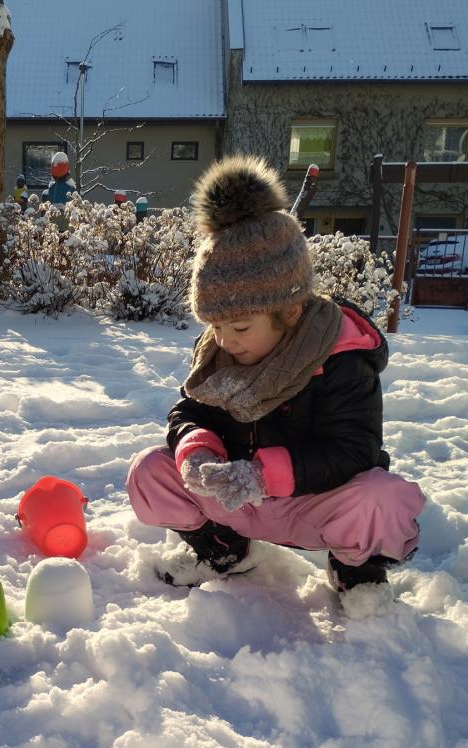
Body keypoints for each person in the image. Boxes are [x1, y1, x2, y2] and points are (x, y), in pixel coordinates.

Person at [126, 156, 425, 603]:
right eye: (215, 325)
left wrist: (264, 476)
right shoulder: (221, 350)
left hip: (312, 504)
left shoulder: (340, 355)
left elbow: (353, 449)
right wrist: (197, 448)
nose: (224, 340)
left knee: (383, 499)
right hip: (236, 502)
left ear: (289, 312)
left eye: (240, 326)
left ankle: (355, 569)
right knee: (151, 470)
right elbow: (191, 409)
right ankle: (222, 549)